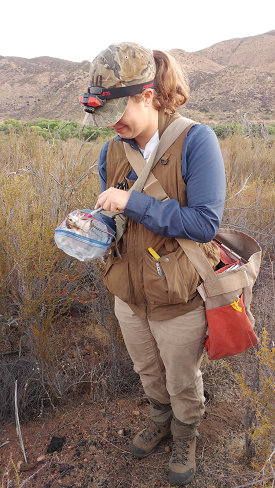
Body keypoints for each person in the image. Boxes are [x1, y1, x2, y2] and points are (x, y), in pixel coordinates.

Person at [82, 42, 226, 486]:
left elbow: (204, 223)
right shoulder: (112, 151)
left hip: (178, 297)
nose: (115, 126)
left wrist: (134, 201)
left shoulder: (196, 141)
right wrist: (92, 227)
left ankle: (186, 432)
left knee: (182, 377)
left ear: (147, 95)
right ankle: (159, 418)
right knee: (147, 369)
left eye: (119, 112)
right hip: (129, 294)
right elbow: (118, 218)